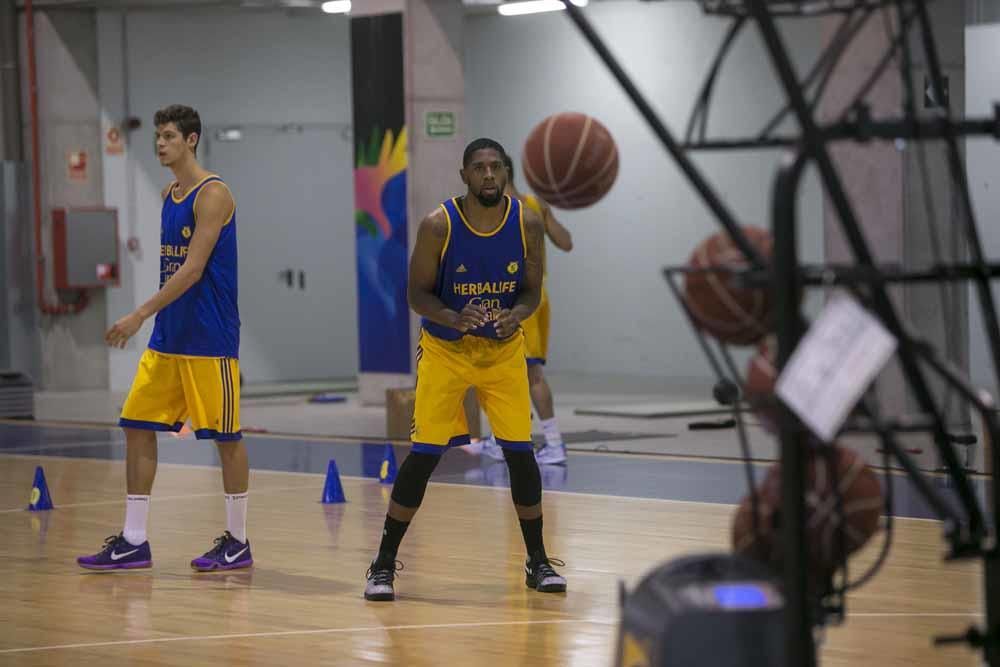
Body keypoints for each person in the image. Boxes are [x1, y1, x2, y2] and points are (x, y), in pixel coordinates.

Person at [364, 138, 567, 601]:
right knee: (424, 456)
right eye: (480, 168)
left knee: (520, 454)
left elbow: (532, 291)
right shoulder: (439, 225)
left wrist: (519, 312)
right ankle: (382, 565)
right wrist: (454, 317)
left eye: (496, 167)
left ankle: (537, 562)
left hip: (501, 353)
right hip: (446, 352)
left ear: (505, 172)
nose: (489, 175)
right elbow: (416, 295)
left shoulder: (527, 221)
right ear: (465, 175)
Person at [77, 104, 250, 572]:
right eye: (157, 136)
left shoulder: (213, 194)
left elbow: (193, 270)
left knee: (226, 437)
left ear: (191, 140)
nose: (160, 144)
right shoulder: (170, 193)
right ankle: (134, 540)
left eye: (169, 136)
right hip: (168, 339)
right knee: (136, 424)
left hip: (210, 339)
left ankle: (239, 540)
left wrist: (137, 313)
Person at [480, 154, 573, 465]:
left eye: (488, 170)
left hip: (516, 302)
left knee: (529, 373)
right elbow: (567, 242)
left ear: (502, 173)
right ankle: (503, 438)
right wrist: (546, 213)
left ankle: (553, 443)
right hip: (537, 299)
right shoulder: (535, 204)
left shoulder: (495, 212)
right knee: (505, 373)